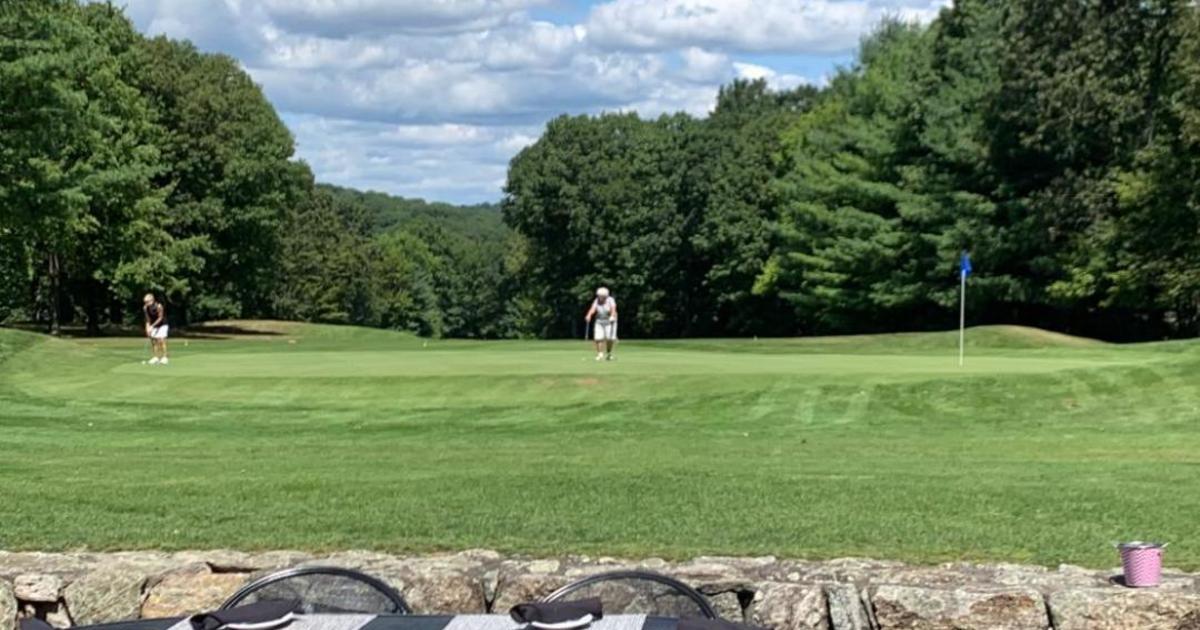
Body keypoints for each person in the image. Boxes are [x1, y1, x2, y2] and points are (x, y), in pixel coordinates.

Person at [584, 287, 617, 361]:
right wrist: (589, 315)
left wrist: (612, 316)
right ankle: (600, 354)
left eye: (602, 296)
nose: (600, 297)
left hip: (610, 321)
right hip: (599, 321)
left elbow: (613, 309)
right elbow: (593, 309)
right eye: (599, 296)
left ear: (606, 296)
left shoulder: (610, 300)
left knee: (610, 338)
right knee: (598, 338)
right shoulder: (596, 300)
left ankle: (609, 353)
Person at [143, 293, 169, 365]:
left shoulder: (159, 306)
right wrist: (147, 328)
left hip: (163, 324)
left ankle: (165, 357)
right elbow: (147, 319)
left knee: (161, 339)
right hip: (153, 325)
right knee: (153, 341)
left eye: (147, 302)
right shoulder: (145, 308)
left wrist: (152, 326)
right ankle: (156, 357)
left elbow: (160, 318)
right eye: (145, 302)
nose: (146, 303)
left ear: (152, 300)